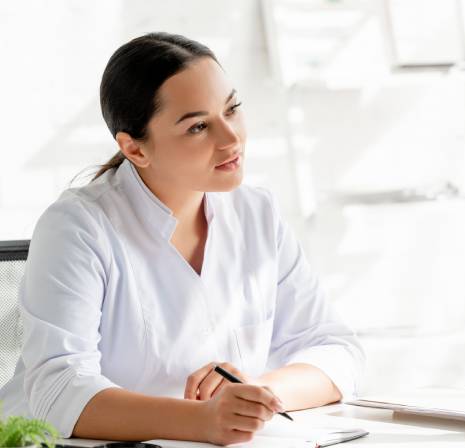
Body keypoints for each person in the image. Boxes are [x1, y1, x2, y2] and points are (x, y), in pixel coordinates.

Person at [0, 33, 364, 445]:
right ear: (134, 149)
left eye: (233, 109)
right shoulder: (78, 227)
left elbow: (337, 350)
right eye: (198, 126)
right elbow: (58, 390)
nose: (231, 139)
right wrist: (203, 420)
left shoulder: (257, 214)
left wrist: (257, 397)